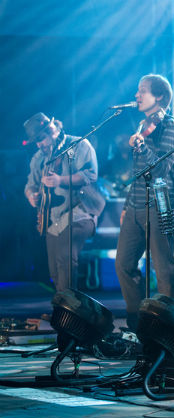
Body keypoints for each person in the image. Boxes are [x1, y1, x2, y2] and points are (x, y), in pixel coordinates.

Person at [115, 74, 174, 331]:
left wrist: (142, 146)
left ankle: (171, 325)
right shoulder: (143, 124)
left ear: (160, 96)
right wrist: (125, 207)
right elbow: (138, 173)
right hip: (135, 205)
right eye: (138, 90)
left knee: (163, 268)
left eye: (142, 90)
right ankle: (138, 321)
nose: (137, 95)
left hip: (159, 204)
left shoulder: (172, 128)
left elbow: (161, 169)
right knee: (123, 264)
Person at [24, 112, 105, 292]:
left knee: (65, 256)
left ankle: (68, 303)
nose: (39, 145)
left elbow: (90, 174)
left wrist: (60, 180)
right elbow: (30, 185)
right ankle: (64, 303)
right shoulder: (39, 158)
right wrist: (31, 195)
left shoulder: (79, 145)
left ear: (52, 130)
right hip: (55, 218)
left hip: (82, 211)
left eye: (41, 139)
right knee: (54, 269)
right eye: (36, 141)